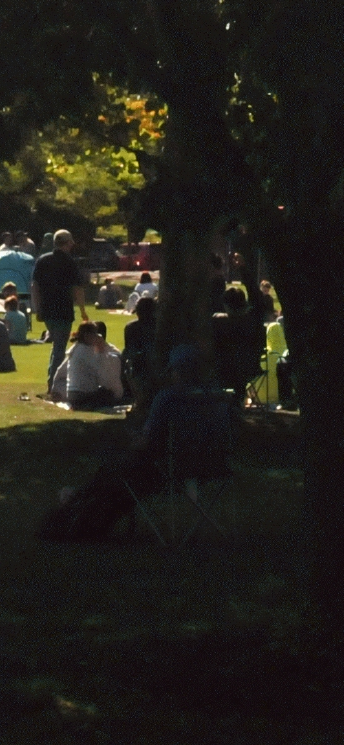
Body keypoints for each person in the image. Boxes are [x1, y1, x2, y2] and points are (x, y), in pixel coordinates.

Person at [37, 345, 226, 541]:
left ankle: (77, 510)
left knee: (116, 469)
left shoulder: (169, 398)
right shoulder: (219, 397)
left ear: (177, 371)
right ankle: (81, 507)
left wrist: (131, 440)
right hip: (213, 465)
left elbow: (147, 442)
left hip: (168, 467)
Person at [32, 230, 89, 387]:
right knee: (59, 347)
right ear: (68, 243)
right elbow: (77, 289)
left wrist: (37, 308)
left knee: (57, 345)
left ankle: (53, 379)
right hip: (63, 310)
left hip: (47, 310)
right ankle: (54, 382)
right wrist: (83, 310)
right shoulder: (69, 262)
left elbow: (35, 286)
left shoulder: (43, 260)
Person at [60, 321, 124, 409]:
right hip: (81, 394)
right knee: (110, 394)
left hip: (73, 394)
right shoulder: (85, 351)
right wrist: (101, 349)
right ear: (87, 336)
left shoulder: (77, 348)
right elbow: (99, 371)